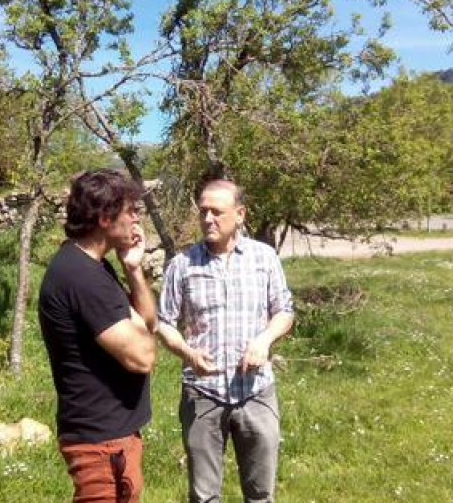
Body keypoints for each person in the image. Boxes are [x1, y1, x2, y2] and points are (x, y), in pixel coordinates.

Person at [156, 179, 295, 503]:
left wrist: (264, 340)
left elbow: (284, 311)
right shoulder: (183, 265)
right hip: (203, 394)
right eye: (203, 211)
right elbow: (164, 323)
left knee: (261, 494)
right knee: (204, 496)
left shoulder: (264, 258)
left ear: (240, 214)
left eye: (216, 212)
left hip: (256, 392)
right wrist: (188, 353)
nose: (207, 219)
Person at [38, 169, 158, 503]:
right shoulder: (81, 277)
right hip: (100, 444)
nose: (136, 220)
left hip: (112, 437)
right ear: (105, 218)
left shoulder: (95, 267)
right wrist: (142, 330)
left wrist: (133, 269)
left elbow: (148, 322)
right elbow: (143, 357)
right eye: (130, 211)